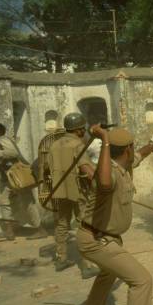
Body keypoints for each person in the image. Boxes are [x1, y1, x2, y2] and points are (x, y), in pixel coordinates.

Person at [77, 126, 153, 305]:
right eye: (132, 147)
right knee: (142, 281)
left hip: (102, 237)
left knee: (108, 272)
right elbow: (105, 183)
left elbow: (141, 154)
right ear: (127, 149)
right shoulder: (109, 174)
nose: (135, 151)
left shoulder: (123, 165)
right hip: (96, 239)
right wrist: (105, 139)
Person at [47, 113, 99, 277]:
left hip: (58, 190)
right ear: (78, 130)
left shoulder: (54, 145)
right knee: (84, 225)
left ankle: (61, 258)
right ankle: (87, 265)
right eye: (82, 128)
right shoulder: (77, 144)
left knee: (61, 224)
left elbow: (48, 168)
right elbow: (85, 168)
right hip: (77, 191)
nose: (84, 131)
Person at [0, 123, 47, 241]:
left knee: (28, 203)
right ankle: (9, 231)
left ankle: (40, 229)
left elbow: (13, 153)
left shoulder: (3, 140)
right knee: (4, 202)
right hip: (9, 179)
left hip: (18, 177)